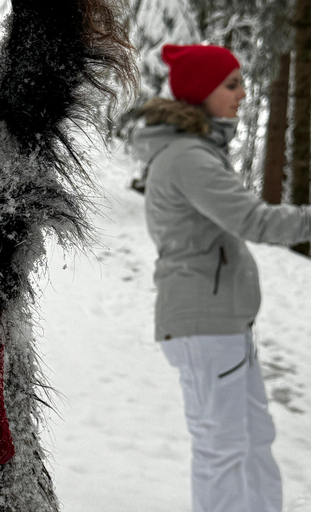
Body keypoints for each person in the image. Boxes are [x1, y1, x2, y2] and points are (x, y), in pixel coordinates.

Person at [132, 44, 311, 512]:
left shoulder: (194, 152)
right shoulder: (188, 156)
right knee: (224, 448)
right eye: (231, 84)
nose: (243, 93)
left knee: (253, 438)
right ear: (200, 92)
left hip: (222, 324)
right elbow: (256, 222)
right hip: (204, 325)